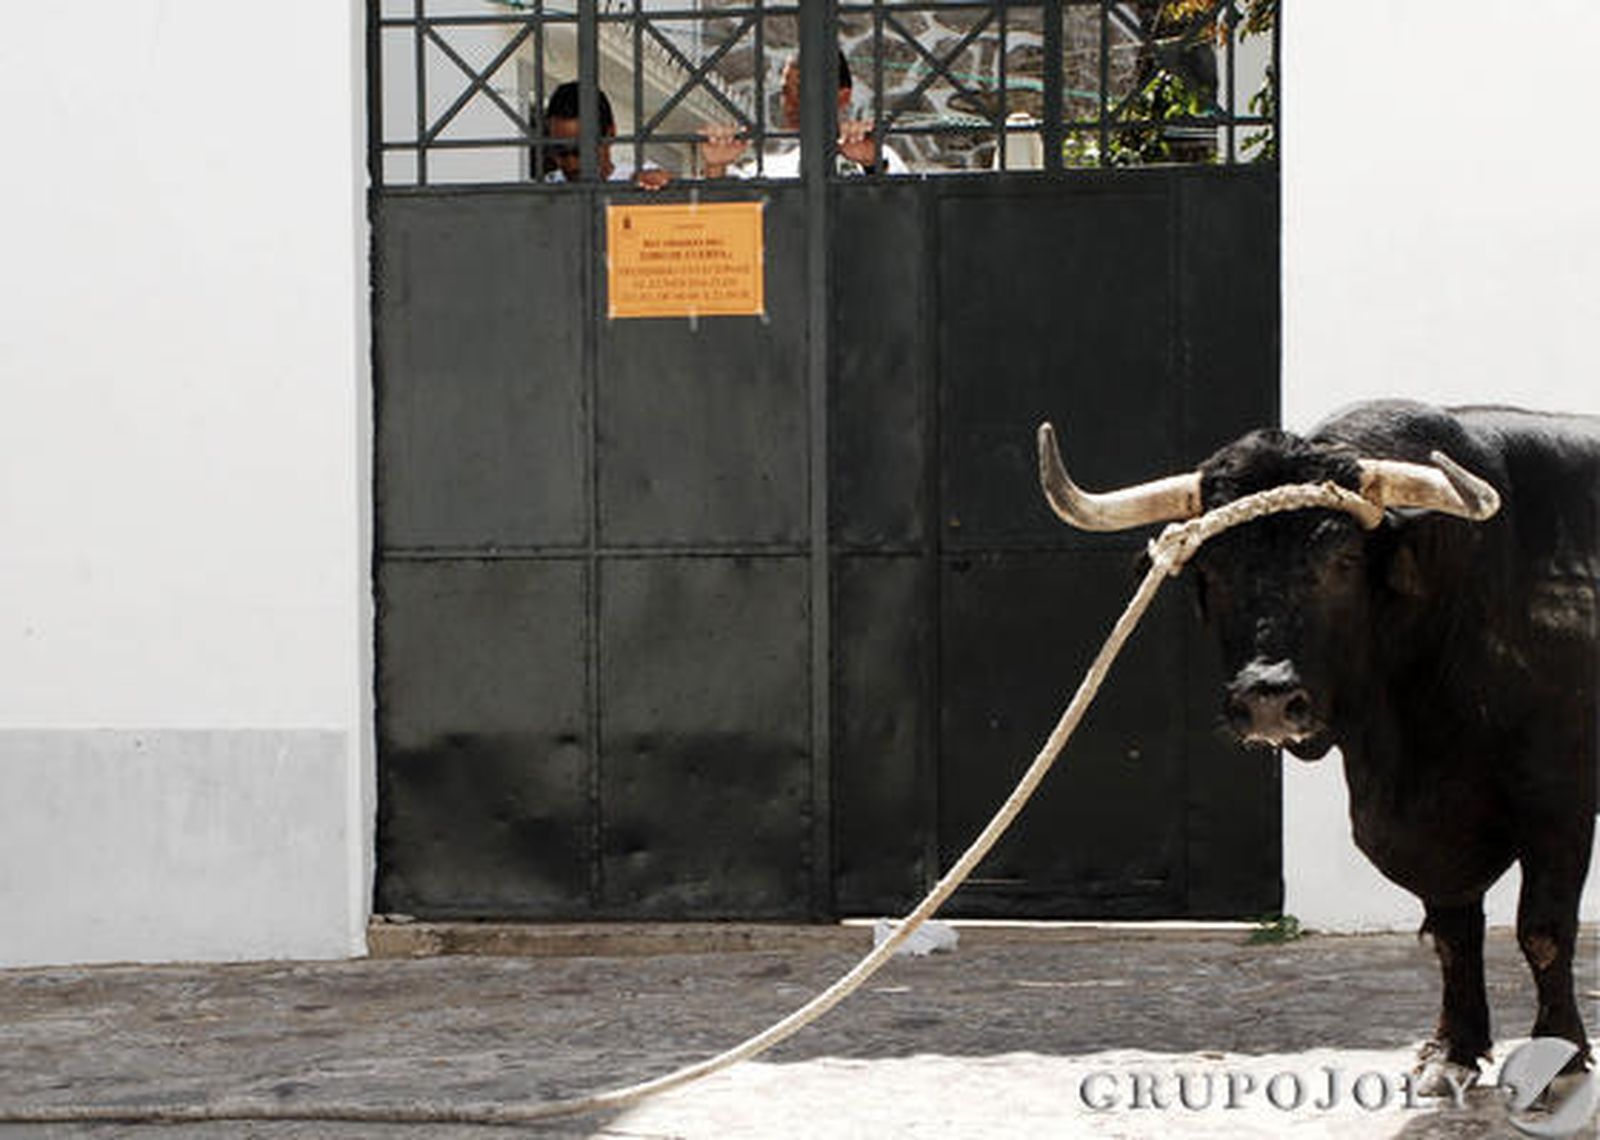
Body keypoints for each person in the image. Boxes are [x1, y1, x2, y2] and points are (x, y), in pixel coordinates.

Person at [699, 51, 907, 178]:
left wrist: (871, 166)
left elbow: (900, 207)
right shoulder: (770, 169)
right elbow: (730, 216)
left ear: (842, 97)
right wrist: (716, 167)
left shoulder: (881, 157)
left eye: (802, 90)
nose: (790, 102)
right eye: (785, 91)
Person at [539, 82, 671, 190]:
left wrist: (656, 184)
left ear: (610, 134)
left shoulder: (638, 181)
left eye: (579, 152)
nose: (571, 164)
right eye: (560, 152)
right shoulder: (545, 189)